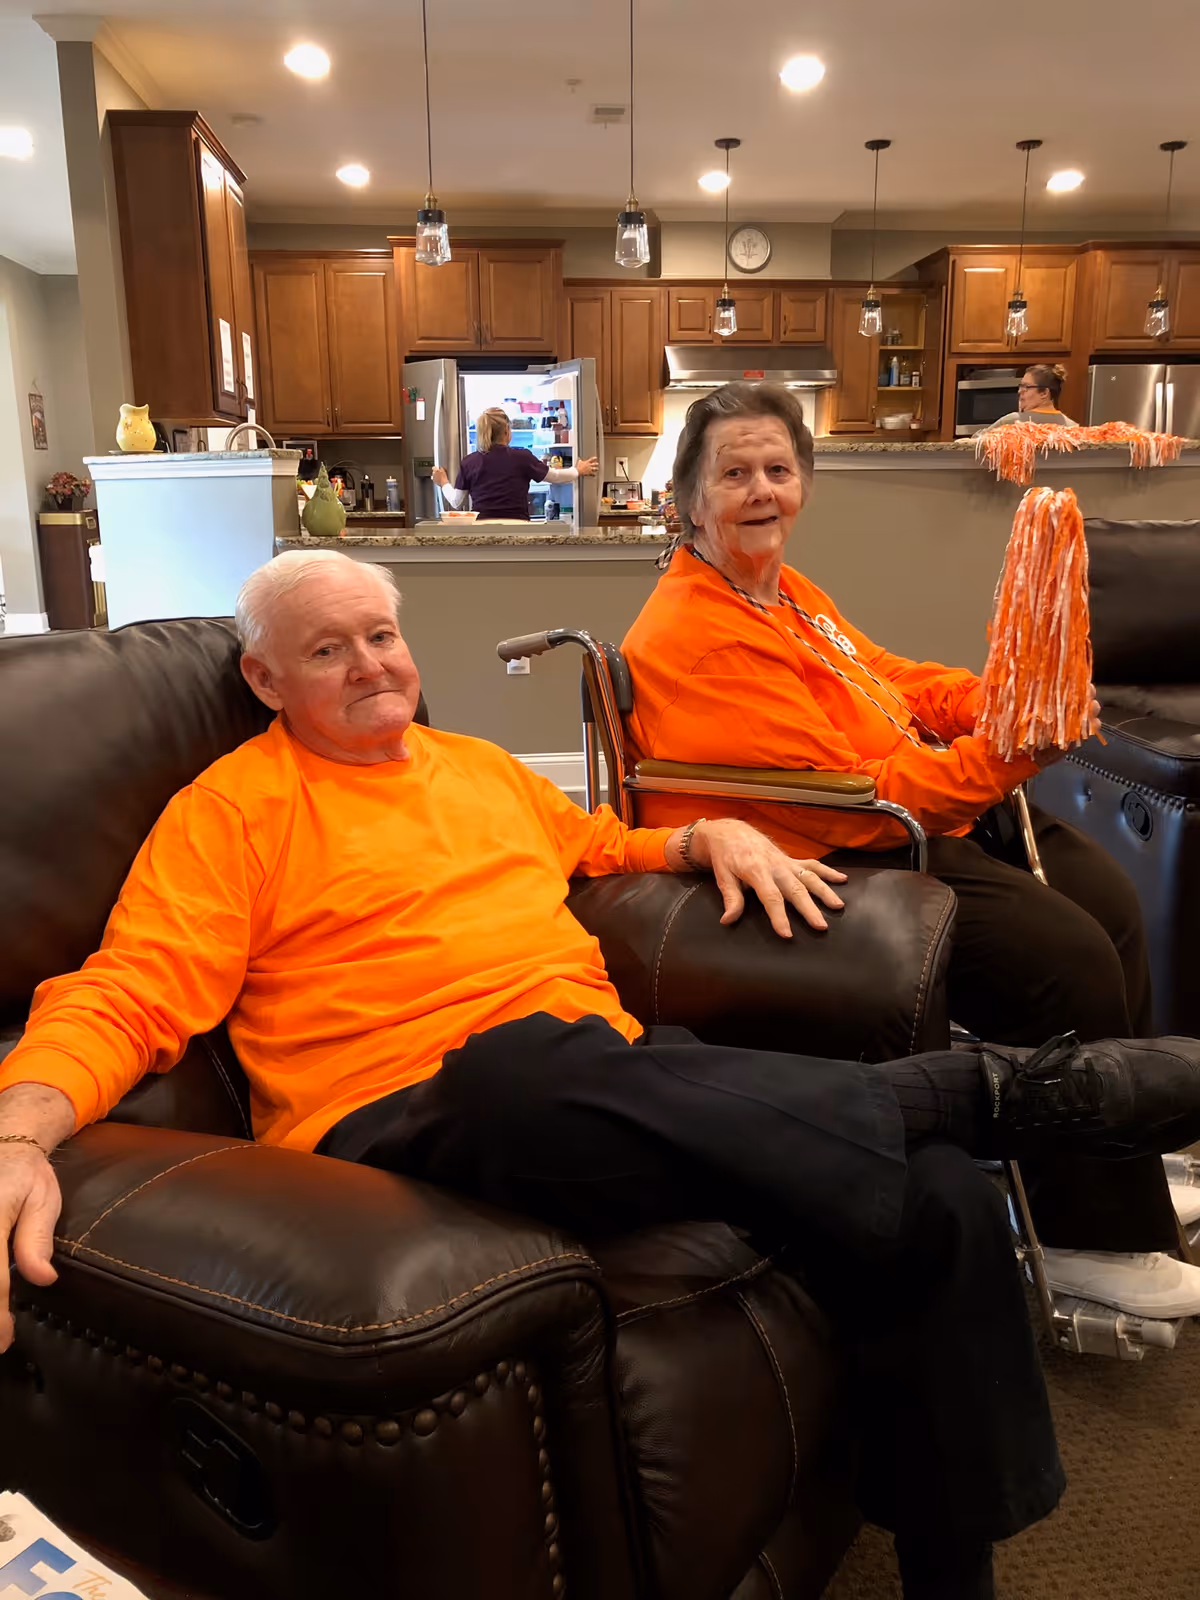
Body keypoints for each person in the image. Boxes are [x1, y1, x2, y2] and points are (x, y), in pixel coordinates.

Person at [4, 550, 1200, 1599]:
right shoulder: (232, 811)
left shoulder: (479, 769)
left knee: (933, 1193)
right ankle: (991, 1095)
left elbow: (598, 844)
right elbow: (131, 988)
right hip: (408, 1118)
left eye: (381, 635)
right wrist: (21, 1128)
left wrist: (702, 835)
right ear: (266, 680)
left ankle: (953, 1574)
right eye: (328, 649)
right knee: (520, 1066)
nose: (370, 665)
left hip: (609, 1083)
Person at [620, 380, 1198, 1317]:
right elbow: (858, 801)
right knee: (1069, 959)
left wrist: (994, 699)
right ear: (689, 499)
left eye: (778, 469)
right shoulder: (700, 633)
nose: (762, 490)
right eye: (735, 474)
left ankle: (1113, 1156)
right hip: (838, 843)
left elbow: (884, 679)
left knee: (1110, 902)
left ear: (804, 482)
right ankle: (1089, 1235)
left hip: (891, 813)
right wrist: (1011, 751)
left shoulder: (777, 592)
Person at [431, 405, 598, 521]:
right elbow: (555, 476)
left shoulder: (469, 462)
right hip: (518, 527)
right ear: (506, 431)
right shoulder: (522, 457)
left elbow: (456, 502)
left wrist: (443, 481)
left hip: (482, 530)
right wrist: (578, 470)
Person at [988, 364, 1077, 427]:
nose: (1019, 391)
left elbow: (980, 442)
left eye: (1026, 387)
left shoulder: (1012, 421)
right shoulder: (1072, 426)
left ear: (1044, 393)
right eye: (1021, 386)